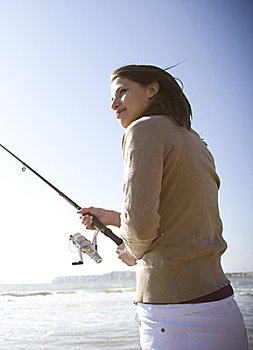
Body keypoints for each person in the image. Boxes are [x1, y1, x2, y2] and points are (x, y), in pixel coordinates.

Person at [78, 64, 248, 350]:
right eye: (111, 97)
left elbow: (142, 227)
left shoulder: (142, 129)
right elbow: (184, 217)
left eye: (122, 92)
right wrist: (113, 218)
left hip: (176, 314)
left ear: (152, 89)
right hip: (221, 304)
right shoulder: (194, 140)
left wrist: (132, 249)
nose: (113, 104)